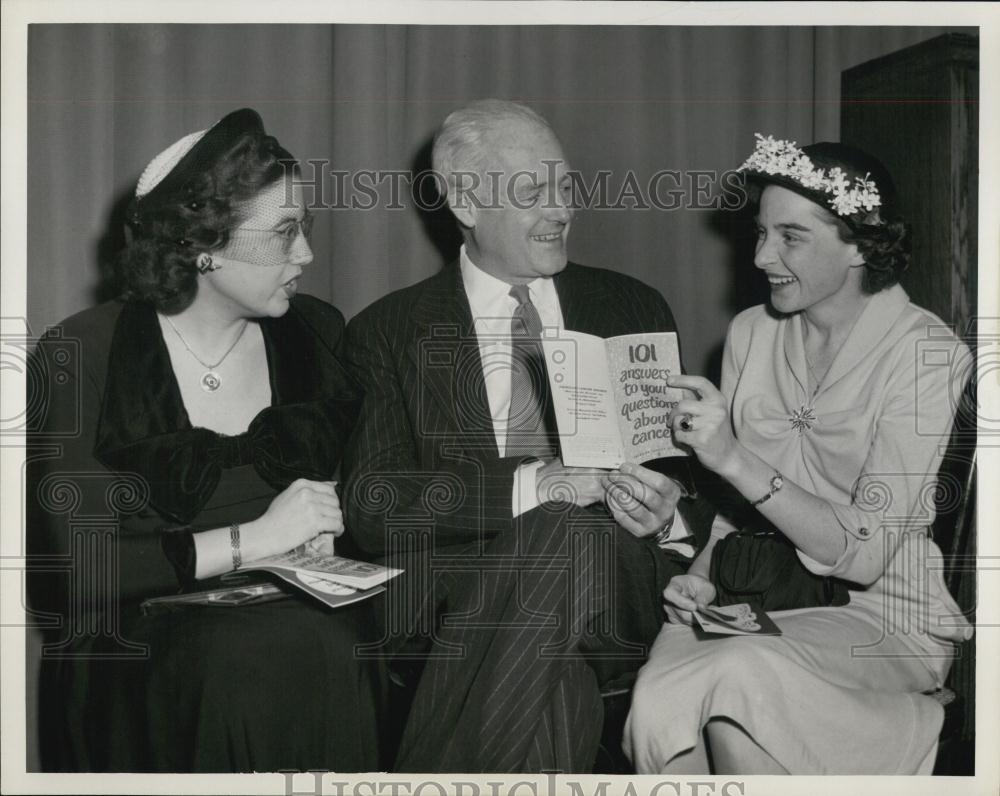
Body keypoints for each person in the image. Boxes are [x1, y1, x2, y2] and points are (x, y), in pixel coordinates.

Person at [341, 99, 714, 773]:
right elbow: (373, 504)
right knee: (559, 683)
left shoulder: (631, 308)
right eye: (532, 191)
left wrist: (667, 522)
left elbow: (684, 483)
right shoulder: (388, 333)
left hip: (619, 584)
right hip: (458, 597)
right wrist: (537, 486)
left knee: (569, 533)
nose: (561, 209)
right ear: (464, 201)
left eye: (565, 186)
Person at [27, 108, 382, 772]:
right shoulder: (84, 351)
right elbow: (74, 572)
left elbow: (365, 499)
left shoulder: (317, 331)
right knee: (255, 656)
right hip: (137, 644)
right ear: (204, 244)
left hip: (300, 622)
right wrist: (255, 540)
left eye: (304, 228)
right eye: (283, 233)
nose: (305, 253)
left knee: (346, 639)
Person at [624, 135, 973, 774]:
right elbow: (734, 509)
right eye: (760, 233)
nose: (761, 256)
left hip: (881, 615)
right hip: (753, 594)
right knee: (659, 695)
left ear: (861, 244)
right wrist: (702, 571)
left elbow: (865, 550)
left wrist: (732, 456)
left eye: (791, 237)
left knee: (738, 679)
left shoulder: (927, 355)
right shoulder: (752, 332)